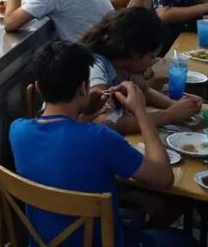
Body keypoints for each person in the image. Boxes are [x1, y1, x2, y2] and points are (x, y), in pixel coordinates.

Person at [10, 41, 188, 247]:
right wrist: (141, 112)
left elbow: (61, 137)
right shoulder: (101, 139)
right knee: (182, 240)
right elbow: (164, 178)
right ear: (84, 87)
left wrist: (83, 112)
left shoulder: (17, 131)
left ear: (39, 88)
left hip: (43, 241)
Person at [80, 8, 203, 132]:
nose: (153, 62)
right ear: (135, 52)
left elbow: (144, 91)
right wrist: (169, 115)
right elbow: (107, 122)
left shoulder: (125, 65)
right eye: (152, 56)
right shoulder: (96, 69)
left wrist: (175, 105)